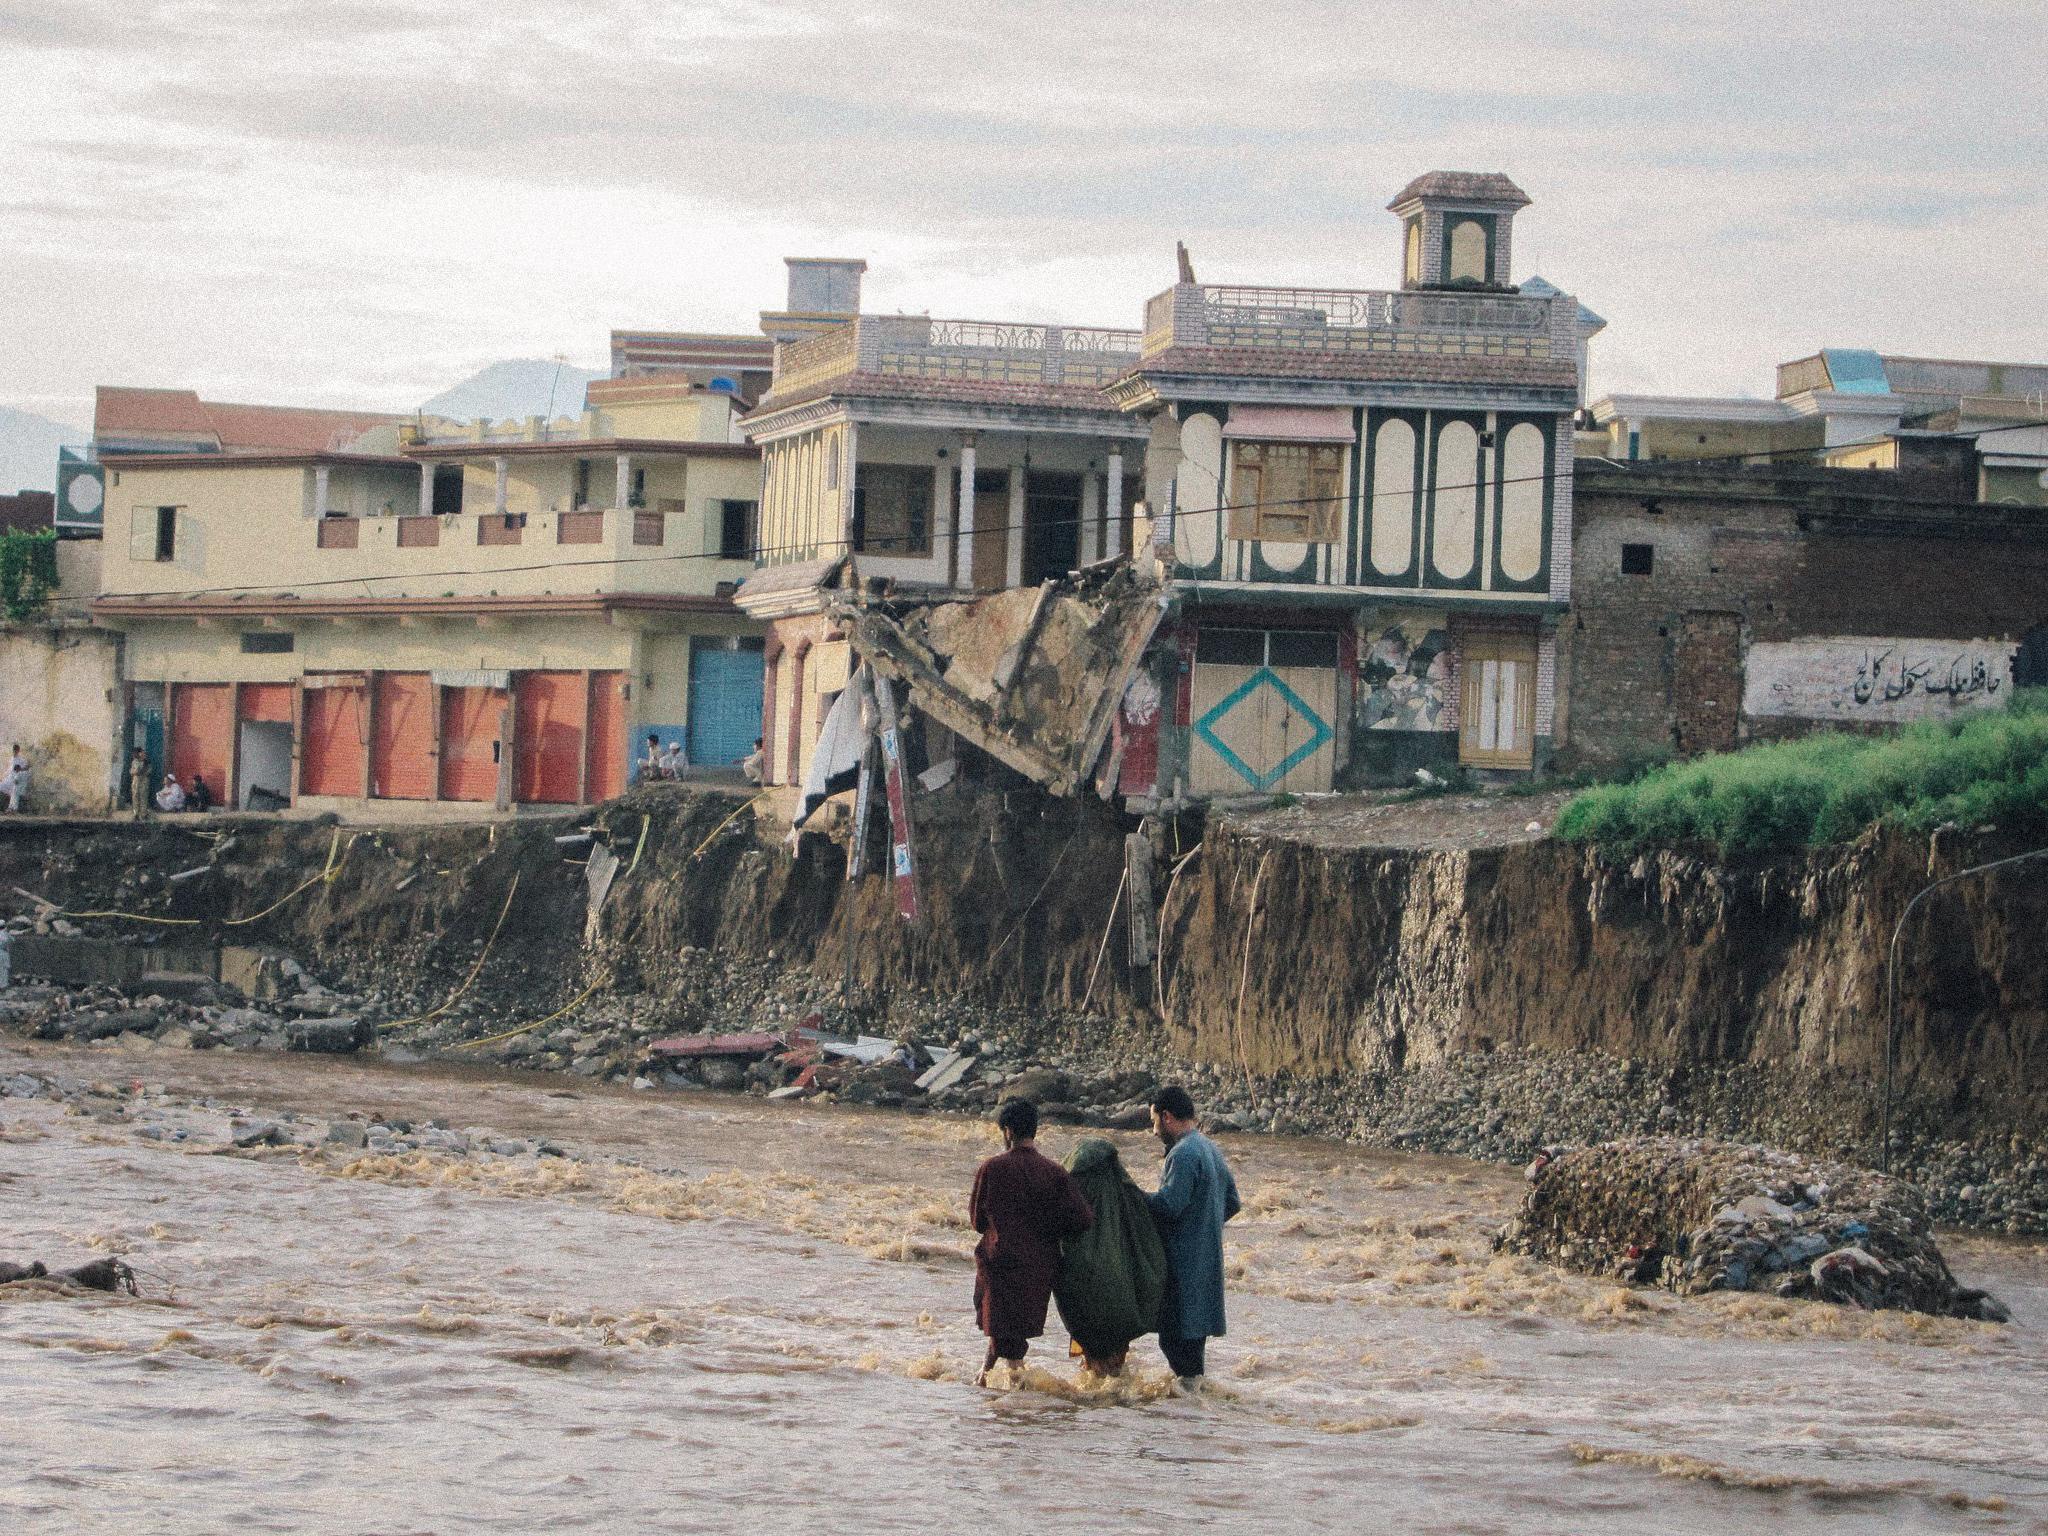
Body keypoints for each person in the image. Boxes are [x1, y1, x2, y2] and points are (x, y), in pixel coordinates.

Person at [969, 1098, 1094, 1384]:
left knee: (1004, 1336)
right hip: (1039, 1269)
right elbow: (1083, 1219)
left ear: (1008, 1131)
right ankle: (990, 1382)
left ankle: (1009, 1391)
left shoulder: (992, 1168)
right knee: (1010, 1337)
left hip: (1000, 1265)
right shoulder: (1054, 1172)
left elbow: (977, 1222)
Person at [1146, 1084, 1241, 1386]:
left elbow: (1169, 1205)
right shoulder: (1210, 1148)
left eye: (1154, 1122)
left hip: (1181, 1269)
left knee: (1174, 1343)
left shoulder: (1183, 1153)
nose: (1154, 1131)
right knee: (1191, 1353)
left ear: (1167, 1117)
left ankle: (1187, 1407)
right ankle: (1193, 1408)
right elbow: (1233, 1202)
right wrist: (1204, 1225)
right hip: (1206, 1265)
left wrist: (1132, 1196)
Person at [1054, 1137, 1168, 1377]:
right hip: (1122, 1292)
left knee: (1093, 1361)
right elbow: (1147, 1240)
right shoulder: (1126, 1192)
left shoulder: (1074, 1191)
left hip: (1086, 1290)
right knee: (1115, 1362)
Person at [128, 748, 151, 821]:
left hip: (143, 781)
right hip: (136, 781)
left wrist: (141, 772)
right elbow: (131, 771)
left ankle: (143, 814)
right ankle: (136, 814)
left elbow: (149, 771)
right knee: (135, 796)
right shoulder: (134, 762)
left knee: (143, 797)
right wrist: (135, 772)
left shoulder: (147, 762)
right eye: (142, 753)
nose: (143, 754)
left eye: (144, 753)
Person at [0, 744, 23, 813]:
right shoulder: (11, 759)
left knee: (14, 792)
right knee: (2, 786)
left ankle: (12, 808)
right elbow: (9, 770)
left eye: (16, 750)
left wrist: (17, 778)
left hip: (15, 779)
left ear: (18, 750)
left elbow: (21, 770)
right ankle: (7, 808)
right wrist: (3, 777)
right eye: (14, 750)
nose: (15, 751)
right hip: (9, 778)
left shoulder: (20, 760)